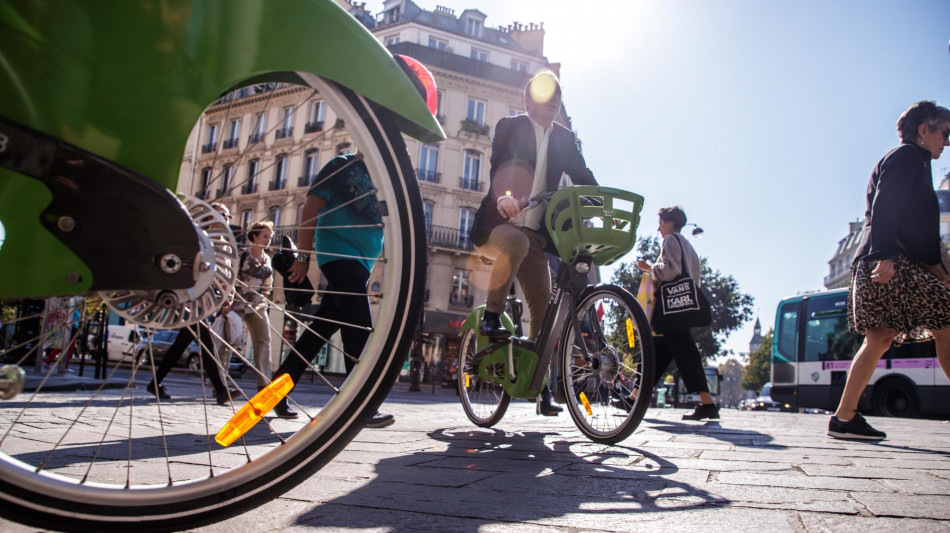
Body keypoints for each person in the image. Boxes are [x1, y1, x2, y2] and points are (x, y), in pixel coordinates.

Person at [469, 70, 597, 416]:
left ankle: (539, 386)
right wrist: (505, 197)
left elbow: (583, 176)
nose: (553, 102)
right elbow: (501, 166)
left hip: (537, 235)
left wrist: (602, 204)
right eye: (546, 97)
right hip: (501, 223)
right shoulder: (510, 127)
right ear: (528, 101)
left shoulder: (564, 139)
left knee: (546, 310)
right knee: (515, 243)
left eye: (558, 98)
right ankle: (492, 316)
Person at [829, 101, 950, 441]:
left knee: (880, 337)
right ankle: (844, 417)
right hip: (887, 261)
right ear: (924, 130)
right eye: (945, 133)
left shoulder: (914, 161)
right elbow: (886, 204)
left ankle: (844, 417)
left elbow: (918, 229)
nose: (948, 141)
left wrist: (940, 269)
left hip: (886, 260)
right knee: (947, 320)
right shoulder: (908, 156)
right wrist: (885, 255)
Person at [270, 154, 394, 428]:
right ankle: (361, 404)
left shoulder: (385, 175)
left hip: (363, 263)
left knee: (318, 332)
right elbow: (310, 207)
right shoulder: (341, 165)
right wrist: (303, 258)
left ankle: (275, 394)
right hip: (337, 253)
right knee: (360, 327)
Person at [145, 203, 237, 404]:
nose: (224, 218)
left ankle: (155, 382)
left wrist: (228, 294)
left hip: (211, 302)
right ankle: (221, 389)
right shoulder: (201, 241)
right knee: (207, 344)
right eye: (219, 214)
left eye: (227, 216)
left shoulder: (227, 246)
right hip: (194, 301)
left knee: (180, 345)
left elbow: (227, 276)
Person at [636, 206, 718, 421]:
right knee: (659, 352)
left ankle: (707, 403)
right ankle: (634, 397)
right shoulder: (688, 245)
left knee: (685, 353)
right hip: (683, 306)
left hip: (672, 308)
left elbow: (669, 270)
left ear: (670, 223)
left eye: (661, 223)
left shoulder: (671, 240)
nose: (658, 228)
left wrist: (648, 268)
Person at [232, 220, 274, 390]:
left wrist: (264, 297)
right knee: (230, 340)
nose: (268, 240)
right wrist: (229, 303)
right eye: (265, 236)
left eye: (270, 237)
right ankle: (220, 381)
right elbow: (233, 279)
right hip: (238, 303)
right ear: (254, 236)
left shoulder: (268, 259)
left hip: (258, 305)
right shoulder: (243, 255)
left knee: (264, 341)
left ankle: (264, 384)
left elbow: (268, 285)